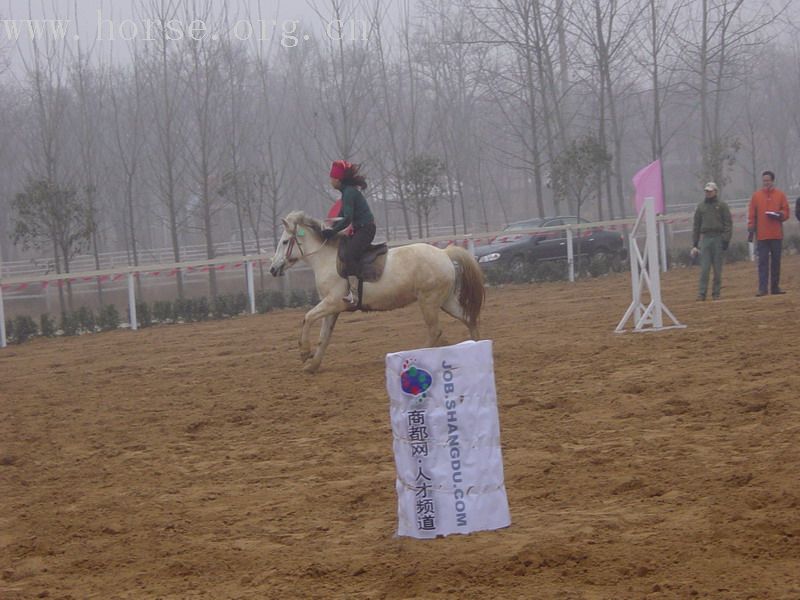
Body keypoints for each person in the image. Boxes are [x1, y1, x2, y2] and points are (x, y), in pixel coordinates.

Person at [321, 160, 376, 305]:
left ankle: (355, 295)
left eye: (331, 178)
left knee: (350, 255)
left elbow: (347, 219)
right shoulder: (347, 193)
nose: (330, 181)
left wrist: (333, 232)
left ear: (338, 179)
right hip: (361, 229)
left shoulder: (349, 193)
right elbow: (340, 216)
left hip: (366, 229)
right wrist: (329, 228)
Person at [747, 170, 790, 296]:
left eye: (768, 180)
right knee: (762, 263)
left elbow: (786, 212)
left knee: (776, 262)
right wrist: (751, 229)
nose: (766, 182)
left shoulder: (780, 195)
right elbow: (752, 215)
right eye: (764, 180)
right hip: (762, 236)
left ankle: (775, 287)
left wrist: (780, 215)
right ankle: (762, 289)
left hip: (776, 235)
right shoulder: (756, 196)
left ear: (772, 181)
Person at [691, 182, 732, 301]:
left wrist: (726, 240)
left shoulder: (722, 206)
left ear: (715, 191)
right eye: (706, 191)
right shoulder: (701, 207)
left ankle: (716, 293)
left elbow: (728, 224)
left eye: (710, 191)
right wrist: (695, 243)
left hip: (718, 238)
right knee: (704, 268)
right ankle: (702, 293)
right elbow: (696, 226)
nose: (708, 193)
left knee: (717, 269)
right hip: (706, 239)